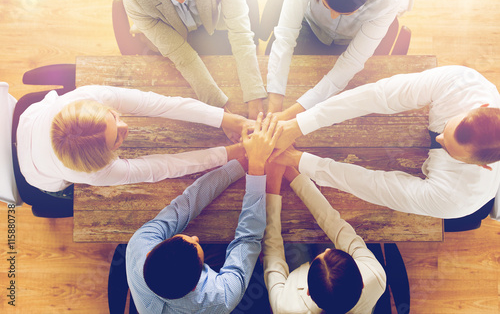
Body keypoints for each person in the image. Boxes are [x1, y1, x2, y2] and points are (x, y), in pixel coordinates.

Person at [271, 65, 500, 219]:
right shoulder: (462, 84)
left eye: (448, 149)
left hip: (458, 205)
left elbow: (375, 186)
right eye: (447, 128)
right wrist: (298, 125)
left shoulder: (455, 198)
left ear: (482, 166)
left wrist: (300, 160)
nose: (438, 138)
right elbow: (378, 95)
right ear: (481, 107)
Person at [126, 112, 281, 313]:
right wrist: (257, 167)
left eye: (189, 239)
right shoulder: (220, 298)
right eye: (197, 245)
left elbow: (186, 204)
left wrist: (241, 164)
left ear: (149, 253)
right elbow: (248, 239)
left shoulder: (139, 243)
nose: (195, 237)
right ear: (195, 286)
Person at [16, 85, 250, 193]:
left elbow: (158, 104)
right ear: (104, 157)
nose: (125, 126)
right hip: (36, 172)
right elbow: (161, 167)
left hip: (29, 120)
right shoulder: (93, 173)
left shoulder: (87, 96)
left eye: (114, 117)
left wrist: (228, 120)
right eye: (117, 138)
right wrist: (232, 153)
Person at [123, 0, 267, 118]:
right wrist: (218, 112)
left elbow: (240, 33)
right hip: (174, 36)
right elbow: (181, 55)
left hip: (213, 27)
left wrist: (254, 94)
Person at [266, 0, 404, 114]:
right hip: (310, 26)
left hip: (348, 42)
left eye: (345, 14)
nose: (332, 16)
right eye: (326, 6)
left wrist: (291, 114)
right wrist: (275, 105)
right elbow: (285, 35)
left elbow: (352, 61)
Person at [263, 163, 386, 313]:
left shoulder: (285, 307)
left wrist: (272, 186)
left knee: (297, 245)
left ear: (308, 291)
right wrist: (293, 174)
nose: (328, 249)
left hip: (296, 286)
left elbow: (273, 257)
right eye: (331, 251)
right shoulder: (374, 274)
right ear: (362, 283)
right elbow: (337, 226)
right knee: (316, 236)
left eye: (322, 255)